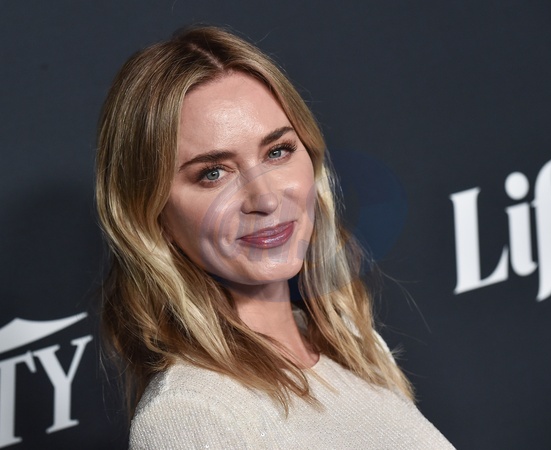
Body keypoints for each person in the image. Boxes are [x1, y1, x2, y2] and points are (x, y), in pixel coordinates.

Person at [96, 25, 455, 449]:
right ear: (152, 216)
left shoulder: (351, 346)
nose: (265, 199)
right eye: (213, 173)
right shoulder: (191, 416)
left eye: (277, 152)